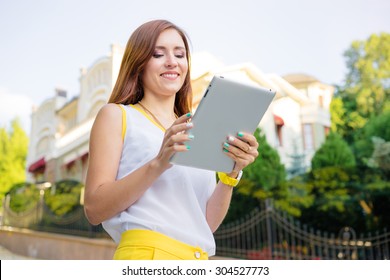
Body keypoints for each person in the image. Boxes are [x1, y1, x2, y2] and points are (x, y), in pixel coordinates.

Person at [84, 19, 259, 260]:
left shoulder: (195, 129)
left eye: (180, 54)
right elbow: (94, 209)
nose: (172, 62)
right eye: (158, 54)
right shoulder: (117, 115)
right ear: (138, 63)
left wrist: (231, 174)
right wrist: (159, 162)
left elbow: (205, 223)